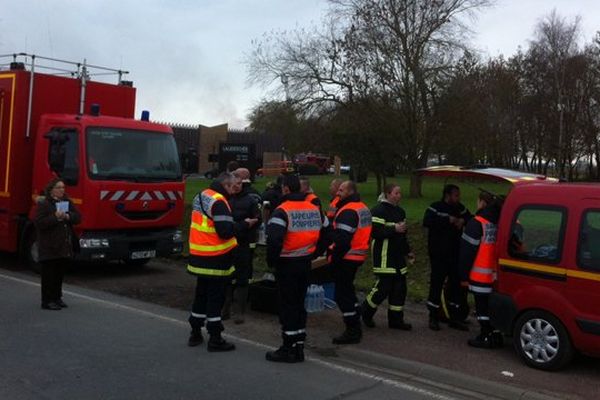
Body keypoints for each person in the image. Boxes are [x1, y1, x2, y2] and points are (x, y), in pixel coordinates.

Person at [265, 174, 323, 363]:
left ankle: (287, 347)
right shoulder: (314, 209)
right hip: (305, 262)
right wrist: (315, 252)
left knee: (288, 305)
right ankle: (298, 345)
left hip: (287, 263)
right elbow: (329, 232)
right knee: (299, 304)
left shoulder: (282, 211)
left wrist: (272, 261)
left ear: (286, 189)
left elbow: (274, 240)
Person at [187, 172, 239, 352]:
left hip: (198, 254)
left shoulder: (201, 195)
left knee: (201, 294)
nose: (234, 192)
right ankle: (215, 338)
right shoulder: (219, 201)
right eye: (232, 187)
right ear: (225, 185)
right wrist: (243, 225)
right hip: (217, 257)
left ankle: (195, 331)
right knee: (216, 298)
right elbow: (224, 231)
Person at [361, 183, 414, 330]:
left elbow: (403, 235)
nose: (399, 196)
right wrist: (394, 228)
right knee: (383, 288)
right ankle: (365, 312)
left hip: (398, 256)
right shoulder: (378, 210)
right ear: (388, 194)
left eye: (400, 193)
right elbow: (376, 232)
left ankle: (396, 320)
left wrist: (408, 251)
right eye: (396, 193)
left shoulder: (401, 212)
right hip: (384, 255)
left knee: (400, 288)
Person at [423, 184, 471, 331]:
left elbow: (471, 218)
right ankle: (433, 316)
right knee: (436, 283)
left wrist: (463, 221)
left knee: (455, 286)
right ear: (447, 195)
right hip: (438, 254)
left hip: (455, 254)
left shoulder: (460, 208)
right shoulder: (435, 207)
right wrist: (447, 220)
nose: (458, 198)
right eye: (456, 195)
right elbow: (427, 222)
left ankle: (454, 317)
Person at [328, 181, 372, 344]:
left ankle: (353, 330)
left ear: (350, 192)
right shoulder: (362, 207)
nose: (338, 192)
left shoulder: (348, 210)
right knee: (348, 290)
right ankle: (355, 315)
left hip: (346, 257)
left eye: (341, 190)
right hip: (357, 255)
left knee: (342, 295)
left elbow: (343, 240)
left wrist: (334, 258)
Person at [459, 191, 504, 349]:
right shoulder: (505, 221)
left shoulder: (477, 222)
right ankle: (496, 333)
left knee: (482, 308)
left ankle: (485, 335)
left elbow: (466, 252)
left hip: (480, 274)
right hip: (498, 274)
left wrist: (463, 275)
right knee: (494, 307)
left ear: (482, 203)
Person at [34, 178, 81, 310]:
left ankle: (57, 298)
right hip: (49, 245)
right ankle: (47, 301)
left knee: (59, 274)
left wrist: (68, 216)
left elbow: (78, 217)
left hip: (63, 245)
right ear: (51, 189)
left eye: (63, 188)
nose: (62, 190)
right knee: (49, 274)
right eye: (59, 187)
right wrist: (55, 217)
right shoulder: (45, 204)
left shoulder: (67, 202)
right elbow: (39, 222)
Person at [228, 169, 260, 324]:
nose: (237, 186)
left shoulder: (250, 200)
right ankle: (225, 309)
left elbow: (257, 219)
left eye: (240, 183)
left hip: (243, 244)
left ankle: (239, 312)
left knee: (242, 278)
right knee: (227, 277)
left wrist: (249, 225)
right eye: (235, 183)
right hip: (227, 244)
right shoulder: (224, 199)